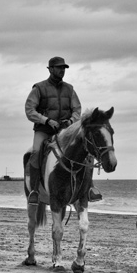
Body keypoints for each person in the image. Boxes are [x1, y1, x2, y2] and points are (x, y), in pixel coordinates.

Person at [25, 56, 101, 205]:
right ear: (50, 69)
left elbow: (77, 109)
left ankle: (89, 188)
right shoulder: (39, 88)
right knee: (36, 153)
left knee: (86, 151)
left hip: (66, 131)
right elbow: (29, 110)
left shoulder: (70, 89)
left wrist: (72, 121)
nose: (62, 70)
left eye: (64, 68)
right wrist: (46, 120)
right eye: (59, 67)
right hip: (44, 130)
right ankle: (34, 191)